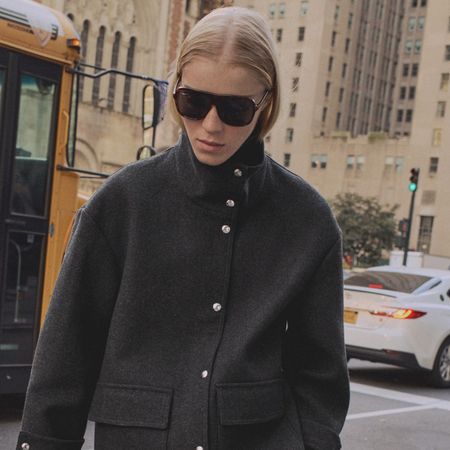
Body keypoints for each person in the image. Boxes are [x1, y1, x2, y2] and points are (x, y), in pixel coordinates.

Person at [17, 6, 349, 450]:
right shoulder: (121, 203)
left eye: (234, 108)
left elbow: (320, 377)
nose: (211, 125)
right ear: (174, 91)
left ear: (265, 104)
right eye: (193, 102)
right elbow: (64, 361)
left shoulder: (307, 221)